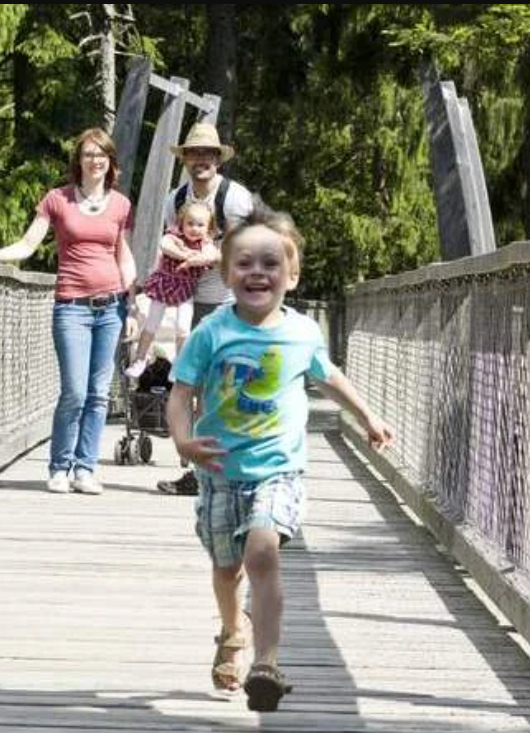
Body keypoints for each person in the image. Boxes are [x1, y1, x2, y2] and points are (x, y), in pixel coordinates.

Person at [165, 209, 394, 712]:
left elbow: (329, 376)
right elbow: (181, 395)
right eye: (244, 262)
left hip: (278, 469)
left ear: (291, 276)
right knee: (227, 569)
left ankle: (266, 663)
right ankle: (231, 631)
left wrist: (367, 416)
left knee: (263, 553)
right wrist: (182, 441)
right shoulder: (212, 332)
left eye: (271, 263)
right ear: (226, 275)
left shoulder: (303, 333)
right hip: (221, 473)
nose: (257, 272)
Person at [0, 128, 136, 495]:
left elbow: (123, 255)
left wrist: (133, 304)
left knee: (99, 393)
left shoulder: (121, 204)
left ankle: (85, 468)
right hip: (72, 306)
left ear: (110, 161)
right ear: (79, 160)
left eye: (101, 154)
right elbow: (29, 245)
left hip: (111, 307)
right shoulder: (57, 199)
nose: (95, 160)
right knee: (74, 390)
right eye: (89, 154)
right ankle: (60, 466)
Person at [156, 122, 254, 497]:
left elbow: (244, 246)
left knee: (225, 388)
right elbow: (169, 242)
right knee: (192, 386)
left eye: (208, 154)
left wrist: (212, 255)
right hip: (187, 300)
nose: (202, 161)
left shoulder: (234, 198)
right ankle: (198, 474)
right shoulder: (175, 199)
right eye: (195, 154)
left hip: (228, 301)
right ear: (186, 160)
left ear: (217, 159)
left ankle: (231, 471)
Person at [123, 200, 218, 380]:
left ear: (208, 228)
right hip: (164, 287)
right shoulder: (174, 237)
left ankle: (179, 365)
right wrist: (185, 255)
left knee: (183, 328)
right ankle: (140, 359)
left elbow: (212, 255)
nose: (194, 228)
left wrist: (197, 260)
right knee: (152, 323)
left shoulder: (206, 245)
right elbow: (165, 245)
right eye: (190, 223)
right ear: (181, 223)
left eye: (200, 225)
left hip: (185, 291)